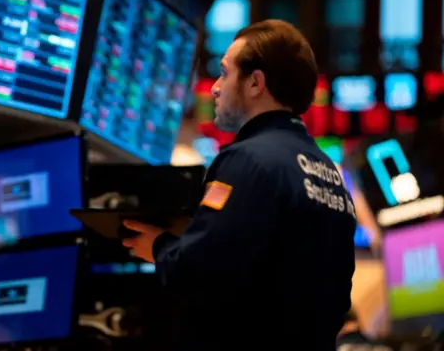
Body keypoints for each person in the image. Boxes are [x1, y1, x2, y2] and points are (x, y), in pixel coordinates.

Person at [122, 20, 356, 351]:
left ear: (255, 83)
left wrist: (158, 246)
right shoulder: (328, 173)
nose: (215, 87)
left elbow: (199, 270)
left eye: (225, 73)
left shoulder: (248, 160)